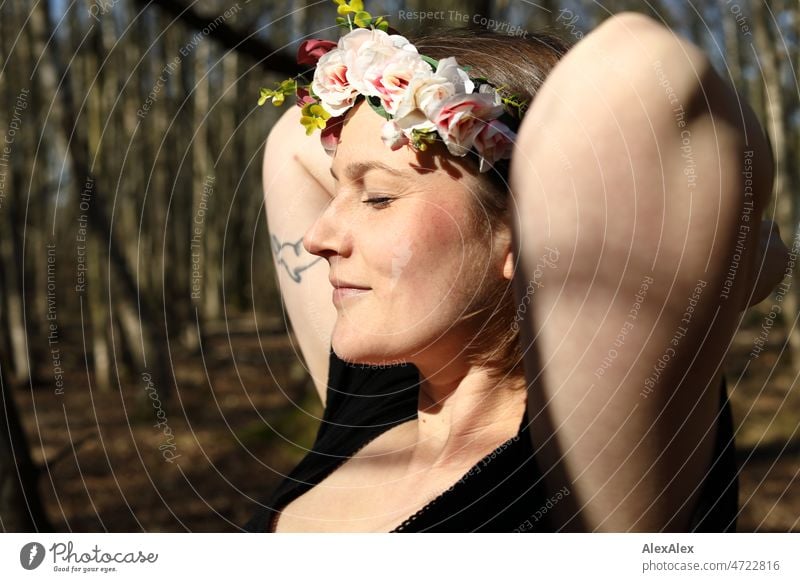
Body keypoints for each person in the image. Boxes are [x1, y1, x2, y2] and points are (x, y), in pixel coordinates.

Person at [243, 7, 788, 532]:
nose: (317, 238)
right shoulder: (371, 404)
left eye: (379, 197)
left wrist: (727, 267)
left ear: (526, 234)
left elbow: (641, 66)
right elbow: (295, 134)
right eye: (338, 188)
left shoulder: (581, 471)